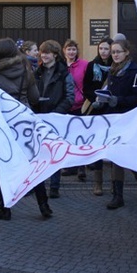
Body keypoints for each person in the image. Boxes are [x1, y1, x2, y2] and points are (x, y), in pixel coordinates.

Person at [91, 38, 137, 209]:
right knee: (116, 157)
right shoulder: (112, 70)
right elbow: (109, 91)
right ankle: (117, 196)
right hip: (114, 119)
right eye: (113, 52)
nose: (115, 55)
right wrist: (102, 100)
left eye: (118, 51)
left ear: (127, 52)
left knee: (129, 158)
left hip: (129, 119)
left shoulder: (136, 71)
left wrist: (117, 100)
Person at [0, 38, 40, 221]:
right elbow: (35, 97)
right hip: (23, 121)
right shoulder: (26, 68)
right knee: (32, 161)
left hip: (3, 124)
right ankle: (44, 204)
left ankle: (4, 208)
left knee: (3, 163)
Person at [34, 39, 75, 203]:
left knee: (55, 153)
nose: (44, 55)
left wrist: (56, 113)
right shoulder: (36, 72)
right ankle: (39, 186)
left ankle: (54, 187)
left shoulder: (64, 73)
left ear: (55, 55)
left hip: (56, 118)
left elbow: (70, 98)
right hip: (39, 116)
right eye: (42, 52)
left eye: (47, 53)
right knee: (40, 153)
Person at [82, 37, 114, 195]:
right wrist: (94, 99)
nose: (103, 51)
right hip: (95, 109)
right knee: (97, 144)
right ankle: (98, 183)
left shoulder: (116, 67)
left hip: (112, 110)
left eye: (106, 49)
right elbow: (86, 86)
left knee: (112, 145)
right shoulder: (91, 65)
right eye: (101, 48)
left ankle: (117, 183)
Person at [60, 39, 89, 181]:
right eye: (69, 49)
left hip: (79, 105)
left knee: (80, 137)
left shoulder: (84, 65)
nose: (71, 52)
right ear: (64, 51)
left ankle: (81, 167)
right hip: (65, 105)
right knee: (67, 137)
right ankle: (70, 166)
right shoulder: (60, 66)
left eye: (73, 49)